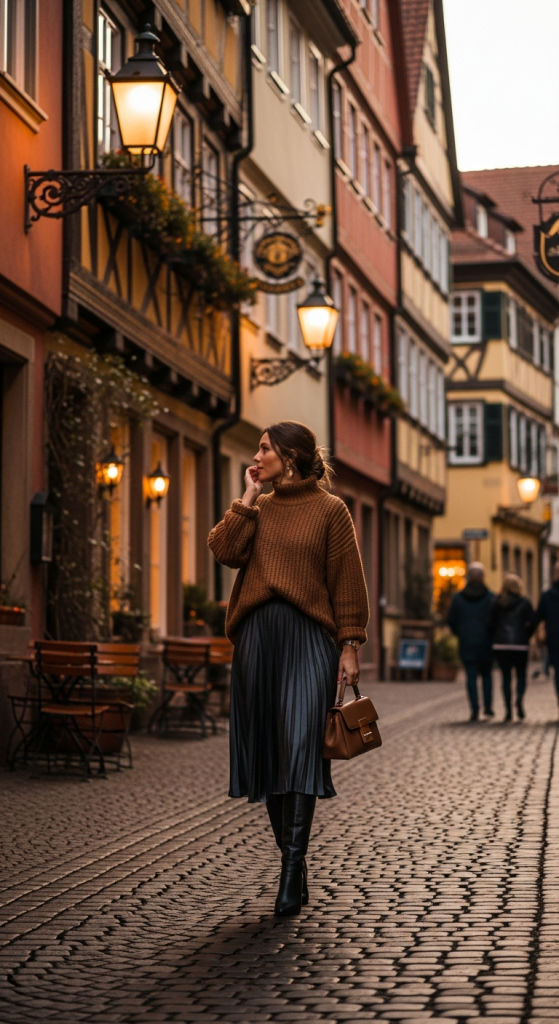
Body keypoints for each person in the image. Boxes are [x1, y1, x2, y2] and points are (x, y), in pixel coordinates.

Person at [208, 421, 369, 917]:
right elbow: (224, 550)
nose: (257, 456)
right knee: (269, 754)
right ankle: (294, 867)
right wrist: (248, 497)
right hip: (258, 641)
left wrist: (349, 645)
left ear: (290, 457)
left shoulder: (331, 510)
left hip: (308, 641)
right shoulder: (259, 509)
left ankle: (289, 871)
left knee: (300, 751)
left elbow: (347, 583)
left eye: (264, 449)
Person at [446, 562, 494, 722]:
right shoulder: (490, 597)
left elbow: (451, 620)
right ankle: (488, 707)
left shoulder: (458, 598)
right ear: (482, 577)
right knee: (487, 675)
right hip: (486, 642)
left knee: (471, 676)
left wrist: (461, 633)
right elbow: (496, 620)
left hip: (467, 642)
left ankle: (474, 709)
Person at [487, 573, 536, 721]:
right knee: (521, 675)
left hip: (501, 645)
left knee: (506, 677)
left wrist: (496, 636)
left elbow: (489, 623)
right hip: (520, 645)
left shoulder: (496, 602)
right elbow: (533, 622)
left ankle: (508, 709)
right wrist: (525, 635)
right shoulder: (525, 602)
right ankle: (519, 698)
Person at [535, 561, 559, 707]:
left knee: (558, 672)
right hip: (553, 639)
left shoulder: (548, 595)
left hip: (554, 639)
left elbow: (538, 617)